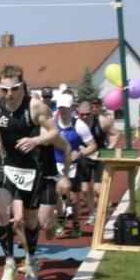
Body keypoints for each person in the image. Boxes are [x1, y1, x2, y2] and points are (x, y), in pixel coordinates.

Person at [0, 64, 67, 280]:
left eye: (14, 89)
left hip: (32, 171)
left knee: (31, 221)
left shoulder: (35, 107)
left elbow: (54, 132)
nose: (9, 94)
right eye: (4, 89)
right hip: (7, 167)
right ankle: (9, 262)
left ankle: (31, 258)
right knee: (2, 212)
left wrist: (36, 140)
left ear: (22, 86)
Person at [53, 93, 97, 238]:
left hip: (74, 166)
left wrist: (80, 153)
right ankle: (61, 218)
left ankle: (76, 224)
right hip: (56, 165)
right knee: (56, 195)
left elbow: (93, 146)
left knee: (74, 198)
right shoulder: (52, 123)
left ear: (72, 108)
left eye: (65, 107)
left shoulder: (79, 125)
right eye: (60, 107)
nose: (63, 110)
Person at [78, 98, 119, 225]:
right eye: (82, 114)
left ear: (92, 111)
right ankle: (93, 213)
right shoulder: (77, 123)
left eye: (87, 114)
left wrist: (110, 148)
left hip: (100, 157)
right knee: (85, 189)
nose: (84, 117)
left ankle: (104, 211)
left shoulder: (102, 121)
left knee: (98, 189)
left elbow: (116, 134)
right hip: (84, 156)